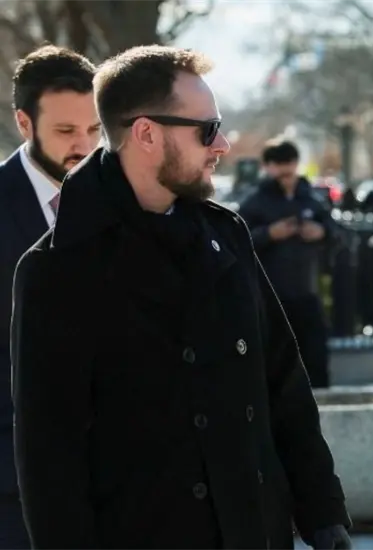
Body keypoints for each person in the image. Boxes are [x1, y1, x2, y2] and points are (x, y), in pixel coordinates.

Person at [10, 45, 351, 550]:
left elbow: (282, 385)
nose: (224, 145)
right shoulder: (57, 268)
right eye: (207, 129)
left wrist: (323, 514)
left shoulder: (226, 235)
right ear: (146, 133)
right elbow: (49, 456)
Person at [0, 44, 98, 549]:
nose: (83, 146)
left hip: (117, 485)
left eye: (95, 130)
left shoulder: (126, 201)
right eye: (65, 131)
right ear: (24, 122)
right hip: (14, 489)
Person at [239, 140, 334, 388]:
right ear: (268, 166)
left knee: (314, 356)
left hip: (307, 292)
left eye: (289, 164)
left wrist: (321, 232)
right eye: (278, 165)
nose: (285, 171)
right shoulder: (255, 202)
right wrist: (269, 234)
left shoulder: (312, 199)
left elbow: (339, 234)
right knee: (275, 360)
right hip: (271, 295)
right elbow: (237, 240)